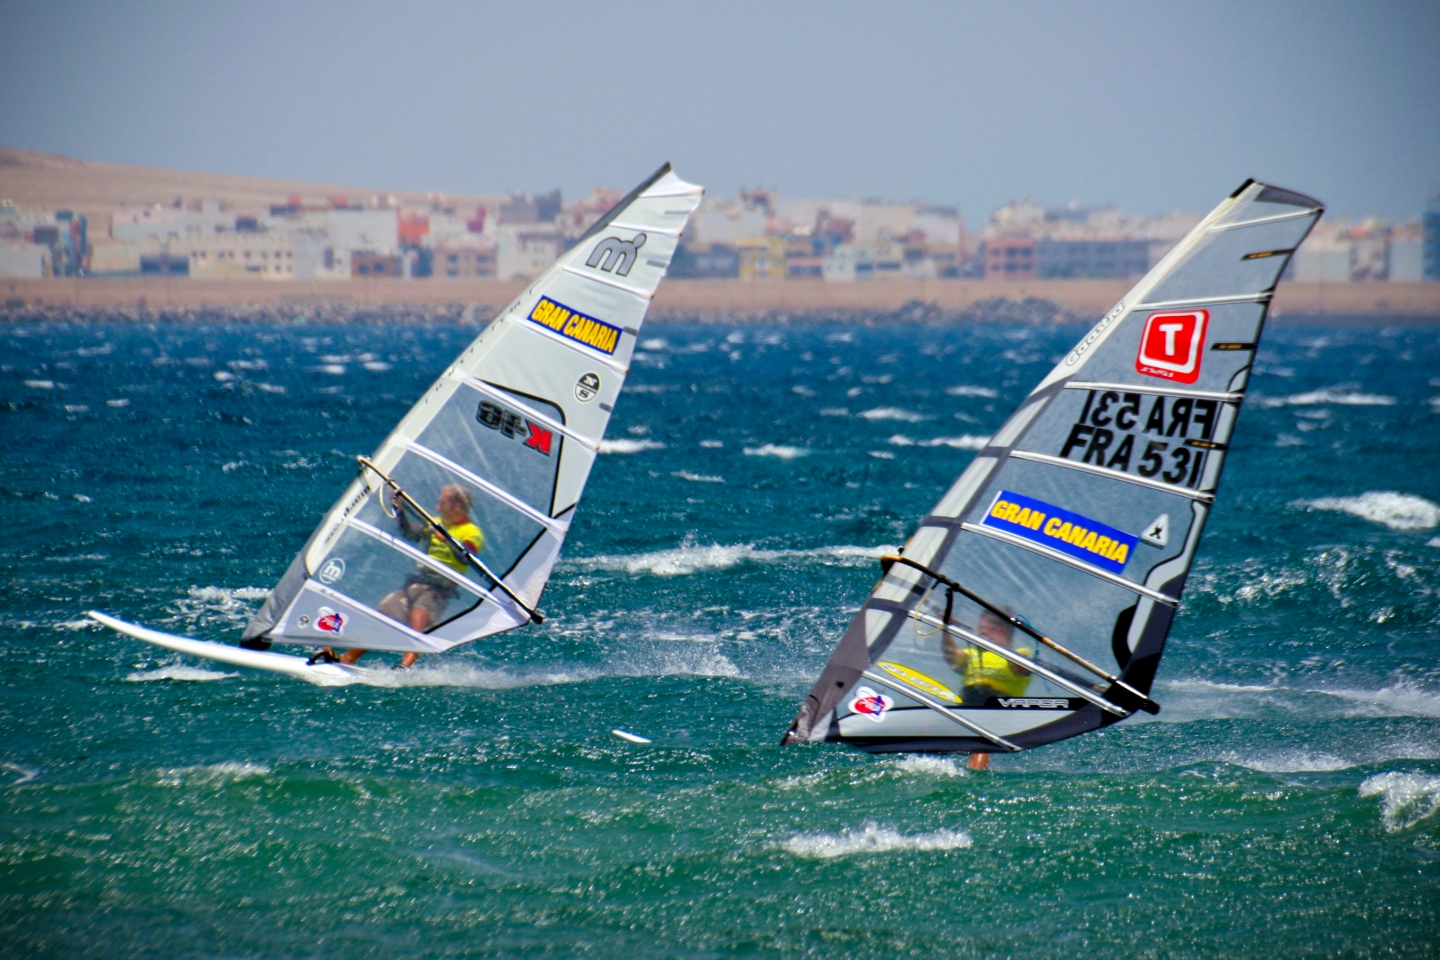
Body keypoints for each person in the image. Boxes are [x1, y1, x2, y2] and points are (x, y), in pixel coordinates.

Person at [330, 483, 484, 668]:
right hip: (416, 583)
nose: (437, 507)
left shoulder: (471, 532)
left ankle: (406, 666)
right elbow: (409, 533)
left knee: (418, 616)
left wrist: (450, 541)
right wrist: (400, 509)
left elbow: (468, 557)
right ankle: (348, 658)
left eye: (442, 503)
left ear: (457, 506)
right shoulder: (435, 523)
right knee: (383, 614)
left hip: (439, 590)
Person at [941, 609, 1033, 771]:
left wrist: (996, 645)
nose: (979, 632)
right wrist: (946, 628)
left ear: (999, 631)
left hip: (997, 708)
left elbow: (1020, 667)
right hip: (967, 705)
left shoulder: (1020, 653)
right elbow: (952, 658)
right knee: (928, 727)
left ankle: (973, 777)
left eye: (983, 629)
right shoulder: (971, 653)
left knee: (981, 746)